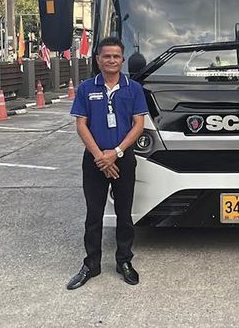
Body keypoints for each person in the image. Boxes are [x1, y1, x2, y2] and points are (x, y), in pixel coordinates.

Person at [66, 36, 149, 290]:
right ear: (98, 59)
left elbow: (138, 124)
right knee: (93, 215)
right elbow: (81, 125)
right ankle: (91, 264)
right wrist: (100, 157)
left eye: (116, 56)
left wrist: (116, 152)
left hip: (123, 159)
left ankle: (124, 261)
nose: (111, 60)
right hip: (94, 161)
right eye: (106, 56)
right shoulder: (86, 88)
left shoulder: (133, 89)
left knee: (124, 214)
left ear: (122, 60)